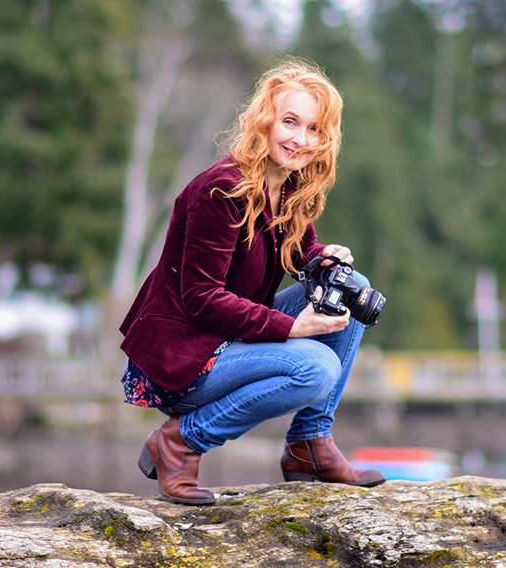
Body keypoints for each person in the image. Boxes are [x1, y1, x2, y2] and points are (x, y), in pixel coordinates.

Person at [119, 58, 386, 506]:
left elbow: (300, 254)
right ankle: (181, 441)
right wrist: (291, 328)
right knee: (316, 368)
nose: (300, 139)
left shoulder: (290, 188)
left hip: (233, 341)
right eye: (290, 122)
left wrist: (324, 260)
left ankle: (309, 443)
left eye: (314, 129)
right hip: (187, 355)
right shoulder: (221, 190)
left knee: (349, 287)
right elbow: (201, 297)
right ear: (265, 120)